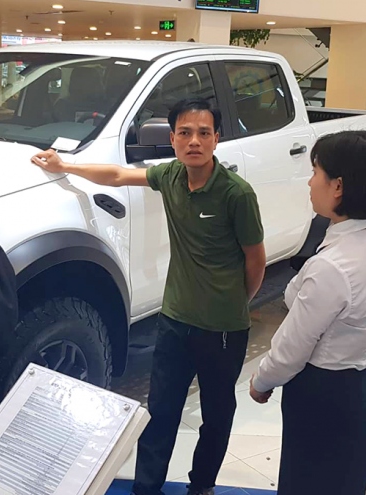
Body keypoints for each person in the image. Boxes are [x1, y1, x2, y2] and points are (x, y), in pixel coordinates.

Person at [32, 98, 267, 495]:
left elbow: (255, 260)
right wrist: (65, 166)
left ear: (217, 139)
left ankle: (202, 487)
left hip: (223, 329)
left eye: (204, 133)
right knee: (160, 412)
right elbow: (117, 175)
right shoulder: (171, 175)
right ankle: (146, 488)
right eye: (185, 133)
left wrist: (233, 302)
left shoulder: (236, 194)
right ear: (172, 139)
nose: (194, 141)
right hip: (175, 321)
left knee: (217, 414)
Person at [249, 130, 366, 495]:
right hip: (360, 389)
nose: (310, 181)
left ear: (338, 187)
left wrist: (261, 381)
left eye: (316, 171)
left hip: (322, 400)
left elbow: (292, 348)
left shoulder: (331, 267)